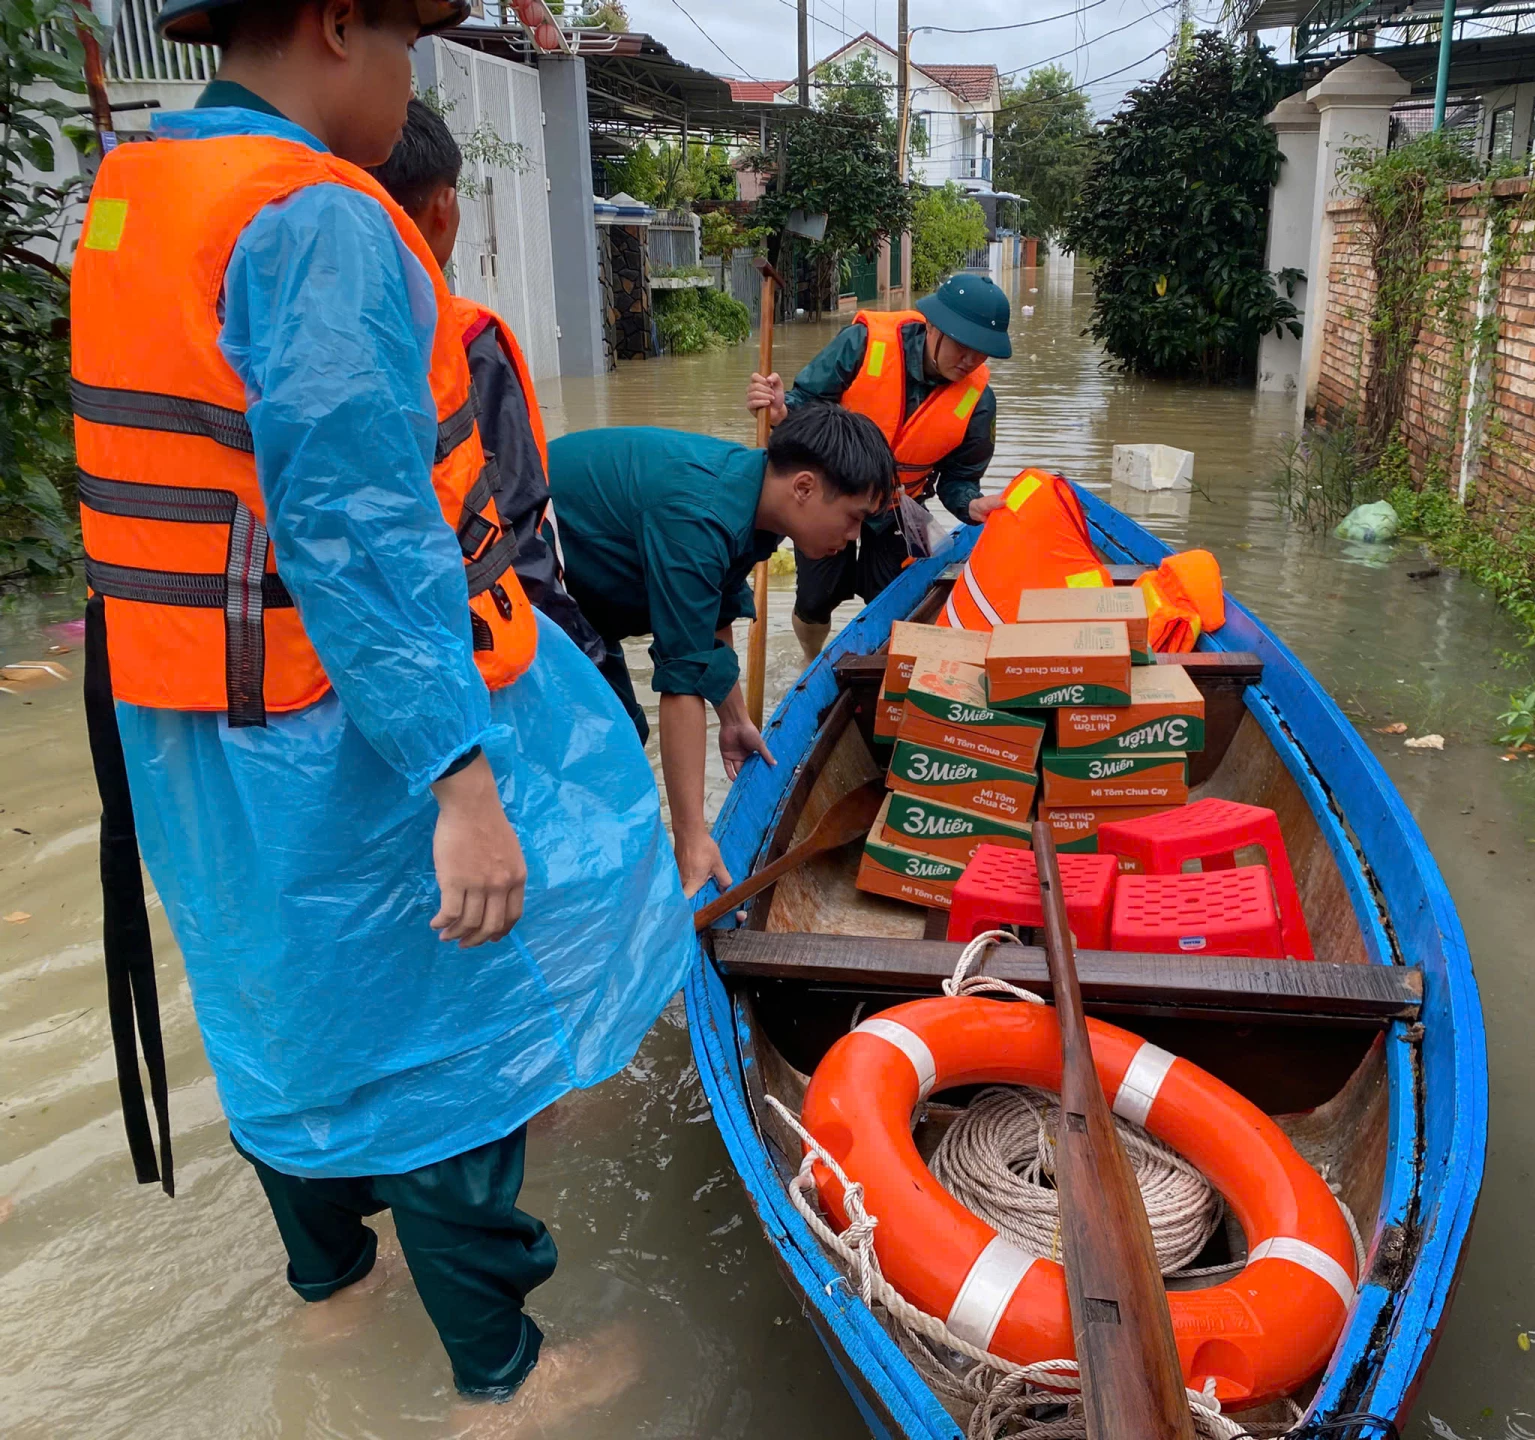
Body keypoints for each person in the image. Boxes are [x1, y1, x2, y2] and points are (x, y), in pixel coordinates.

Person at [69, 0, 694, 1425]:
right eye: (412, 45)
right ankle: (505, 1378)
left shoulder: (140, 191)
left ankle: (333, 1292)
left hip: (184, 717)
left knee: (284, 1005)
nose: (414, 81)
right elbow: (357, 523)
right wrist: (458, 780)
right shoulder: (315, 215)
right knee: (447, 1034)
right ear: (339, 24)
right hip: (333, 721)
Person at [545, 407, 894, 897]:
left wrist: (734, 718)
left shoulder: (752, 498)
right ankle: (572, 889)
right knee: (598, 746)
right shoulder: (699, 517)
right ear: (804, 488)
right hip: (525, 573)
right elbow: (682, 680)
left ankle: (611, 878)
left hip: (583, 591)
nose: (854, 537)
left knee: (622, 733)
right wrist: (692, 837)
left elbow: (713, 615)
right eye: (854, 518)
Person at [367, 98, 610, 671]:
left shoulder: (271, 332)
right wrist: (587, 665)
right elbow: (518, 528)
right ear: (444, 208)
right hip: (472, 647)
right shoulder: (467, 340)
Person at [745, 272, 1014, 660]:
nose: (970, 360)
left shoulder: (979, 403)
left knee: (897, 602)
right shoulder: (863, 343)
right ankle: (810, 658)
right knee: (815, 599)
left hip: (898, 509)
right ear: (933, 326)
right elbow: (805, 402)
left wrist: (972, 504)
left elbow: (959, 480)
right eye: (962, 345)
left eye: (982, 351)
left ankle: (884, 670)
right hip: (832, 495)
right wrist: (781, 410)